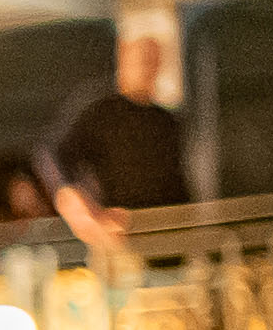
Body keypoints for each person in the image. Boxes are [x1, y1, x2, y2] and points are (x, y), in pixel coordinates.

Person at [39, 28, 190, 245]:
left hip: (167, 233)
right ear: (124, 57)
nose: (147, 67)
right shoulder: (99, 110)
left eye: (152, 60)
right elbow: (55, 153)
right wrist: (75, 200)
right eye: (141, 59)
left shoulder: (166, 120)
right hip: (116, 233)